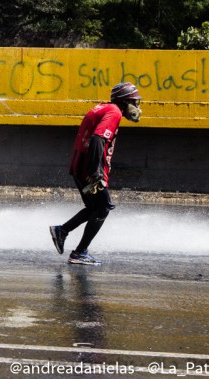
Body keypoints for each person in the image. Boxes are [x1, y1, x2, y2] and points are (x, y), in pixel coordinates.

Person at [49, 82, 143, 265]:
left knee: (94, 208)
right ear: (125, 101)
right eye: (134, 101)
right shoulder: (114, 112)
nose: (137, 107)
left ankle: (62, 231)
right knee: (103, 208)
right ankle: (79, 253)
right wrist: (95, 173)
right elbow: (98, 139)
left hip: (80, 165)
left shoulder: (105, 107)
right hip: (88, 168)